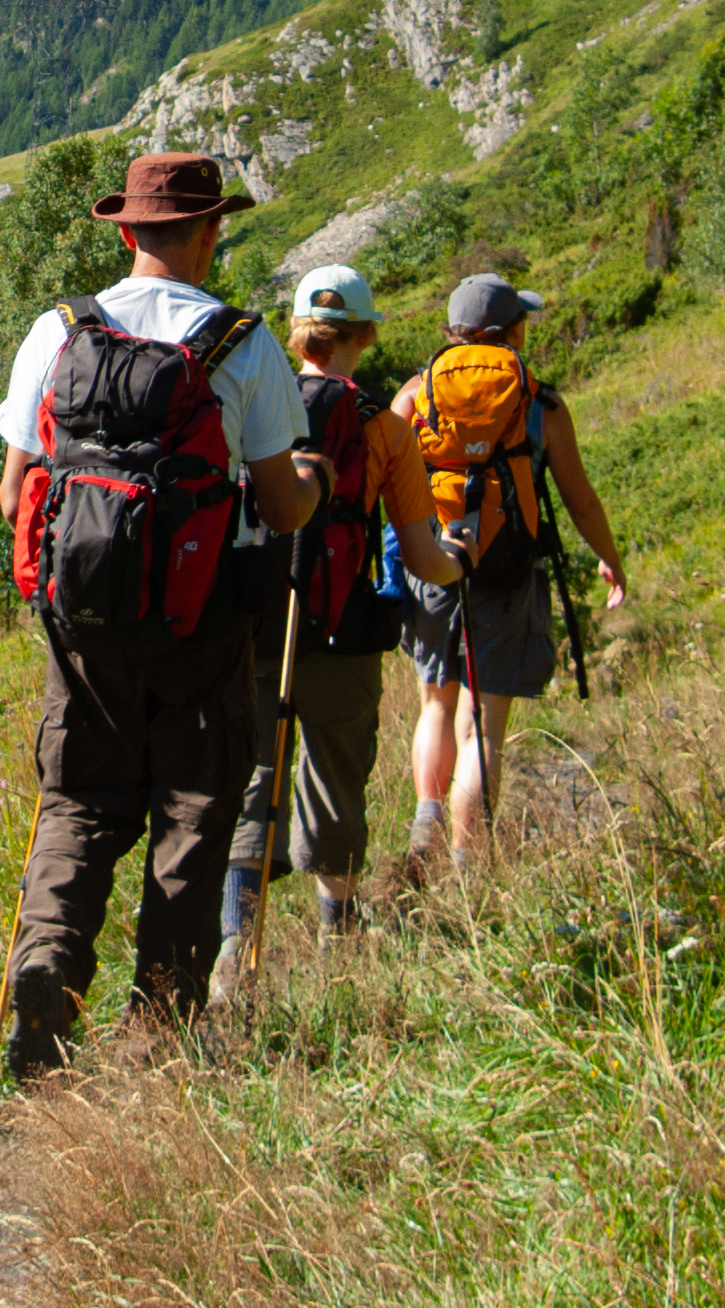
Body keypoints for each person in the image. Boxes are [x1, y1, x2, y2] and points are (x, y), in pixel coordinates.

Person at [0, 151, 318, 1080]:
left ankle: (47, 960)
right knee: (195, 808)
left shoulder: (56, 333)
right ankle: (160, 1033)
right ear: (211, 233)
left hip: (81, 628)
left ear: (127, 233)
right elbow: (281, 506)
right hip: (203, 622)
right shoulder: (240, 344)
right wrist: (314, 480)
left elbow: (16, 494)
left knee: (80, 802)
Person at [216, 263, 464, 971]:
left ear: (296, 333)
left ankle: (237, 950)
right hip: (343, 627)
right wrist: (460, 561)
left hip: (256, 619)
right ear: (365, 333)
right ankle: (338, 943)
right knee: (336, 777)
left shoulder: (252, 407)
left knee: (254, 778)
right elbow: (421, 557)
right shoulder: (384, 426)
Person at [395, 274, 628, 877]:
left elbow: (385, 490)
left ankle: (426, 829)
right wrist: (609, 556)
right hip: (507, 567)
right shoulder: (539, 403)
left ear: (452, 332)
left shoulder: (415, 396)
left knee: (436, 704)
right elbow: (578, 498)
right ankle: (471, 866)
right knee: (486, 727)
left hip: (434, 563)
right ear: (513, 332)